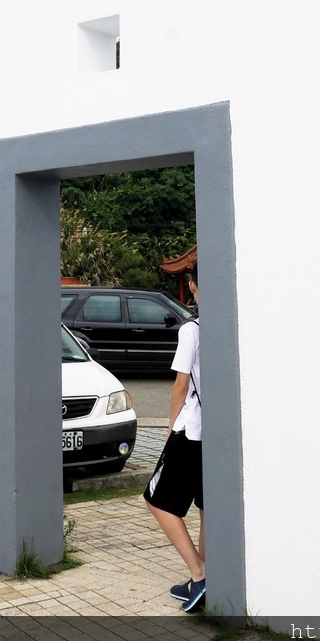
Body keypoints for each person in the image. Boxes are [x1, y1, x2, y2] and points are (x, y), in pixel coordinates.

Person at [143, 262, 204, 612]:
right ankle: (210, 575)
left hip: (192, 431)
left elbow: (181, 384)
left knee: (156, 499)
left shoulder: (191, 330)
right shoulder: (229, 324)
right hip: (219, 434)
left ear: (193, 288)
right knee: (206, 507)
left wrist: (169, 429)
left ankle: (199, 574)